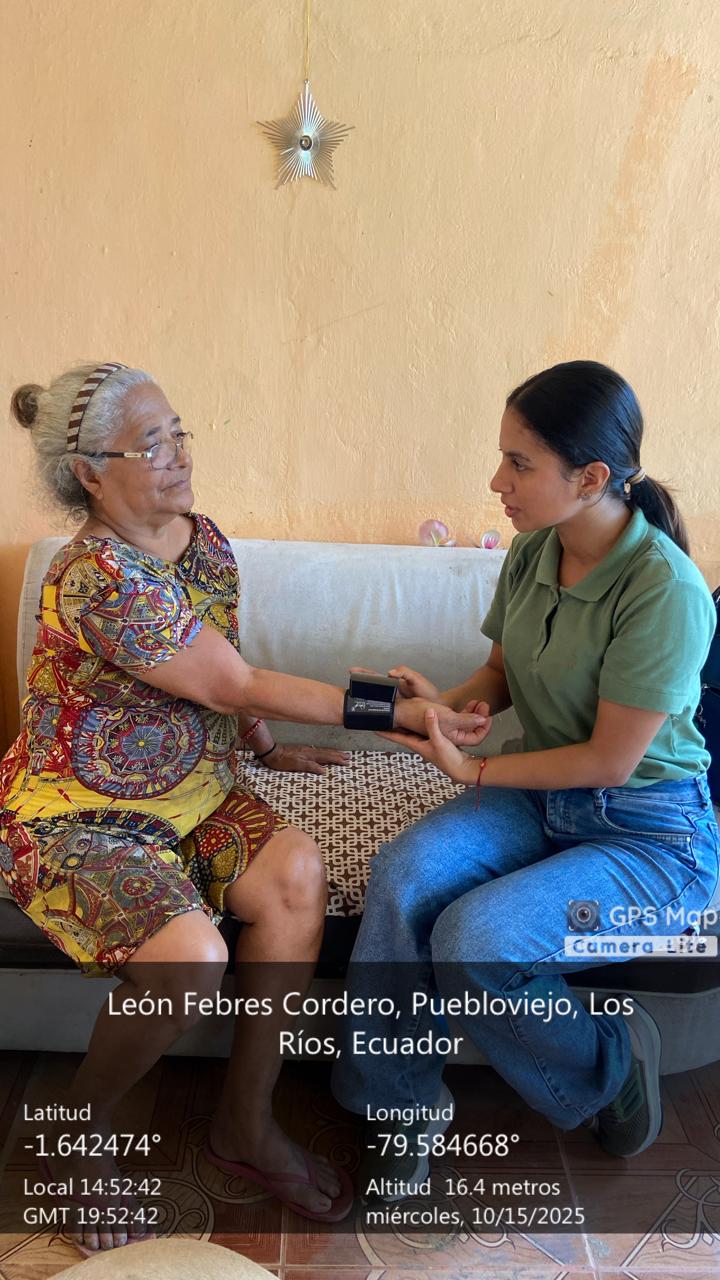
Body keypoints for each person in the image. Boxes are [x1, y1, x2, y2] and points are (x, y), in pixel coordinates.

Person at [0, 362, 486, 1252]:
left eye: (178, 431)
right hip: (82, 815)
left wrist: (264, 749)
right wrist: (401, 714)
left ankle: (245, 1124)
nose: (179, 454)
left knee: (296, 870)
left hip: (198, 796)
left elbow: (224, 666)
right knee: (192, 958)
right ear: (90, 474)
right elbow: (234, 680)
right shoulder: (96, 577)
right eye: (150, 445)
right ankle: (77, 1134)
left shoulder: (204, 541)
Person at [331, 359, 720, 1199]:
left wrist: (473, 767)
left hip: (651, 835)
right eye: (503, 457)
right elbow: (501, 676)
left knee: (476, 940)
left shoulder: (665, 590)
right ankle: (399, 1103)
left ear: (591, 478)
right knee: (402, 876)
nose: (496, 481)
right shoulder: (534, 551)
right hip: (547, 803)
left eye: (519, 463)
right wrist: (441, 709)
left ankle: (611, 1067)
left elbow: (610, 760)